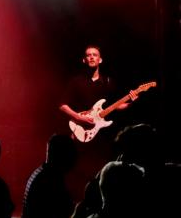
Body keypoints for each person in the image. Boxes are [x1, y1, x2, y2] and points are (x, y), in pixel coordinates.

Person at [58, 45, 136, 193]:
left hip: (101, 137)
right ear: (84, 60)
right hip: (81, 133)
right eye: (88, 55)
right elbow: (62, 105)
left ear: (100, 60)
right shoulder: (76, 81)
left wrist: (131, 101)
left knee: (101, 171)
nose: (92, 57)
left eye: (95, 55)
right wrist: (79, 117)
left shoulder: (108, 82)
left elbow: (116, 106)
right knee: (79, 171)